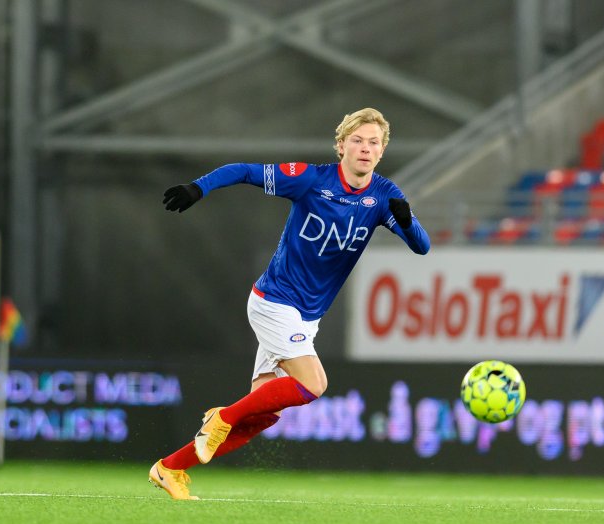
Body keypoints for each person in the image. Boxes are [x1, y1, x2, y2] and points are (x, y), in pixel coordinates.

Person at [151, 108, 430, 500]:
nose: (365, 148)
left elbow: (422, 247)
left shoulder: (385, 195)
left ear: (382, 151)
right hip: (274, 302)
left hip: (306, 317)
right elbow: (245, 170)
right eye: (358, 140)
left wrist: (407, 221)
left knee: (260, 416)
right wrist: (200, 187)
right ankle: (220, 417)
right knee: (314, 384)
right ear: (341, 146)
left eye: (374, 143)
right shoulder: (311, 179)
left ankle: (170, 468)